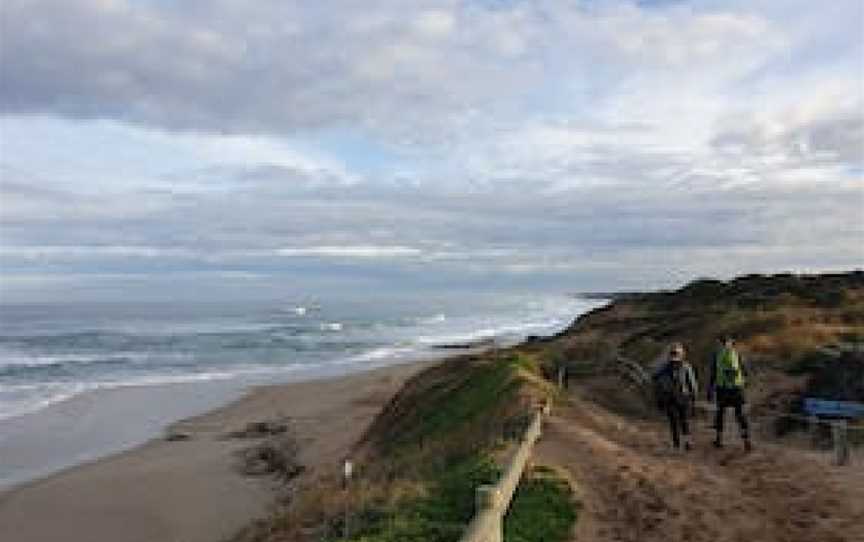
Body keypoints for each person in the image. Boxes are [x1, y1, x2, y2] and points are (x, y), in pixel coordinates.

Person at [708, 336, 751, 451]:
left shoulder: (717, 355)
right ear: (732, 344)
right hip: (737, 388)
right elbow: (745, 371)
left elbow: (713, 373)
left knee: (720, 413)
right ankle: (746, 440)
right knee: (740, 415)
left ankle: (719, 439)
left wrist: (710, 389)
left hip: (722, 388)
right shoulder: (737, 354)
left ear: (720, 344)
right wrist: (744, 384)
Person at [653, 342, 698, 451]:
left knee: (675, 421)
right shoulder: (686, 366)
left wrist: (660, 397)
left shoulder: (665, 367)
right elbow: (692, 383)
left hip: (672, 397)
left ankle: (677, 443)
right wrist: (694, 397)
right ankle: (686, 442)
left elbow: (655, 378)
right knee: (683, 420)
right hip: (682, 396)